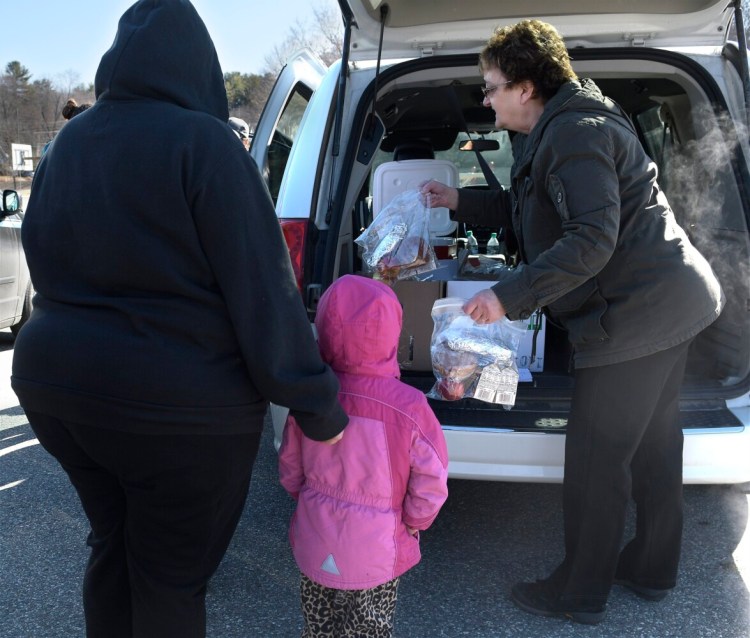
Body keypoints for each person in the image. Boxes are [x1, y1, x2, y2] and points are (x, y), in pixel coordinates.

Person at [11, 1, 347, 637]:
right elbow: (263, 292)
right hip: (179, 413)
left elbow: (42, 258)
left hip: (58, 392)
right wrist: (317, 407)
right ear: (201, 71)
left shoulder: (65, 147)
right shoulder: (208, 148)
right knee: (169, 576)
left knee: (114, 543)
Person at [421, 19, 724, 626]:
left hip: (638, 313)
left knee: (595, 460)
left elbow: (591, 240)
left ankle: (579, 593)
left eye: (491, 87)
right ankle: (651, 569)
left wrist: (509, 296)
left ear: (527, 86)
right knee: (655, 447)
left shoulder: (577, 134)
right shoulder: (561, 127)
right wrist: (460, 202)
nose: (486, 99)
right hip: (671, 301)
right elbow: (530, 205)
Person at [279, 274, 449, 638]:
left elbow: (290, 469)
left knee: (319, 627)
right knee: (370, 630)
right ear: (392, 331)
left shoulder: (312, 398)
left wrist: (308, 501)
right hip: (375, 551)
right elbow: (432, 480)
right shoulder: (409, 407)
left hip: (316, 538)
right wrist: (415, 521)